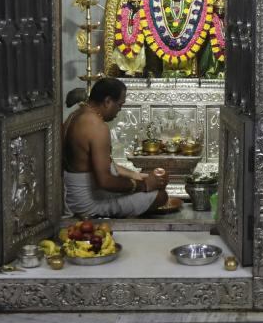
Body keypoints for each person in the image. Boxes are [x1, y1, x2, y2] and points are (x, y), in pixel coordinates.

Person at [62, 78, 180, 218]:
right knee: (160, 196)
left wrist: (135, 175)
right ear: (107, 101)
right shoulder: (97, 127)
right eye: (119, 105)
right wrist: (144, 185)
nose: (119, 110)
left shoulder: (76, 115)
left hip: (73, 197)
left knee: (145, 188)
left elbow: (103, 163)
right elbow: (105, 181)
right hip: (87, 204)